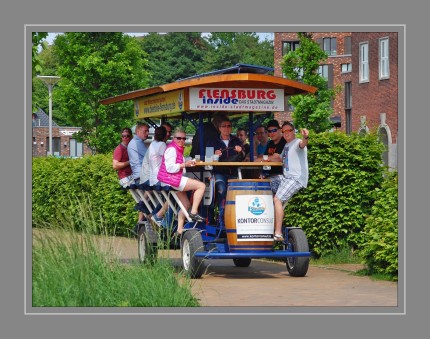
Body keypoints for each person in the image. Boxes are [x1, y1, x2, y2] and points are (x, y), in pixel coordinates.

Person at [157, 127, 206, 235]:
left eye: (184, 139)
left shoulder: (176, 149)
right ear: (173, 138)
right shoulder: (172, 149)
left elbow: (178, 163)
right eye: (179, 138)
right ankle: (194, 212)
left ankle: (179, 230)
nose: (181, 141)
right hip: (172, 179)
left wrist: (189, 162)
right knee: (201, 186)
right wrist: (185, 164)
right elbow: (169, 168)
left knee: (186, 205)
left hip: (171, 179)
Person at [269, 122, 309, 241]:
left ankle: (277, 233)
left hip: (295, 178)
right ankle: (268, 221)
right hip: (285, 177)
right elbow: (279, 158)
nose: (286, 133)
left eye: (289, 130)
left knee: (278, 199)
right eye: (284, 131)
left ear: (293, 131)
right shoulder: (287, 146)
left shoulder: (297, 143)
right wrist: (259, 160)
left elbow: (303, 144)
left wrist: (306, 137)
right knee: (265, 183)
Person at [207, 117, 244, 224]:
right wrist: (214, 155)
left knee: (235, 194)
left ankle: (233, 219)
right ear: (219, 128)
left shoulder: (236, 140)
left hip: (233, 172)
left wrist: (241, 151)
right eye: (224, 126)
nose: (226, 128)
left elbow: (243, 156)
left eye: (229, 126)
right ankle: (221, 218)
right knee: (222, 190)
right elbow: (207, 158)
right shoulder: (213, 141)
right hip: (219, 172)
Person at [128, 122, 150, 222]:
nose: (147, 133)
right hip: (142, 176)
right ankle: (142, 204)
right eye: (145, 131)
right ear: (137, 131)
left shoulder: (134, 142)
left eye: (148, 131)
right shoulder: (138, 143)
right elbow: (150, 157)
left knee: (146, 205)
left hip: (138, 176)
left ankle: (139, 224)